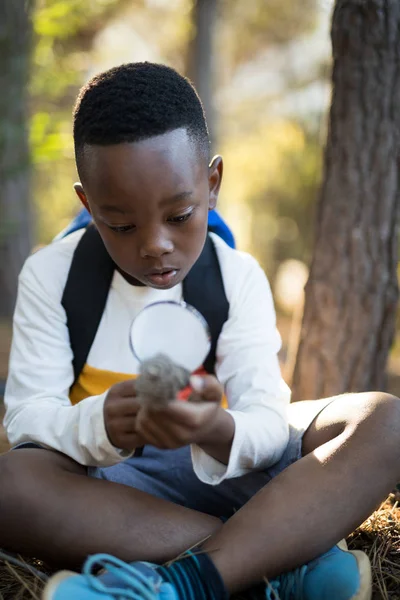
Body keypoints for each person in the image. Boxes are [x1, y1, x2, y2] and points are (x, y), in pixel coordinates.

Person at [1, 62, 400, 600]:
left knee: (387, 422)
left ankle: (183, 582)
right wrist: (104, 423)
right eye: (121, 225)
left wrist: (213, 427)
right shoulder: (54, 275)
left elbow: (264, 419)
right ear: (88, 204)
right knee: (9, 484)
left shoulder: (237, 278)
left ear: (212, 184)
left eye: (180, 214)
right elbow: (27, 418)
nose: (155, 244)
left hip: (225, 468)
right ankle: (278, 562)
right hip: (113, 491)